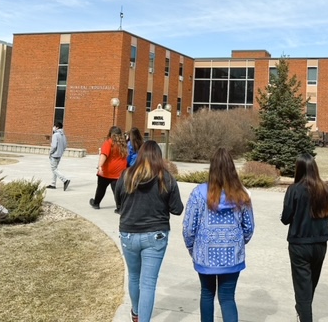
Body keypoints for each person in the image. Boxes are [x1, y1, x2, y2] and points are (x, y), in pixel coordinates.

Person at [182, 148, 255, 322]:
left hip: (205, 255)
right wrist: (238, 242)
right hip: (232, 256)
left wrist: (192, 248)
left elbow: (188, 227)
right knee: (228, 298)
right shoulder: (241, 195)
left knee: (207, 294)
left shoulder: (199, 193)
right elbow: (249, 227)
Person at [114, 140, 183, 322]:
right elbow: (177, 209)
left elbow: (119, 204)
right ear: (159, 157)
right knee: (148, 283)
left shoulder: (126, 176)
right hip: (156, 235)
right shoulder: (166, 178)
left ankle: (136, 313)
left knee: (134, 276)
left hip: (128, 233)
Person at [281, 154, 328, 322]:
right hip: (320, 243)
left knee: (302, 286)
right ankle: (303, 311)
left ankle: (304, 315)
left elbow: (285, 218)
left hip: (299, 244)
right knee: (311, 283)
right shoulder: (325, 189)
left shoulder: (294, 189)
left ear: (299, 169)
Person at [89, 125, 128, 210]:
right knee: (116, 190)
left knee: (101, 188)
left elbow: (104, 155)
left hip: (107, 171)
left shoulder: (109, 143)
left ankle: (96, 203)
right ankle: (120, 207)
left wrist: (99, 166)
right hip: (119, 171)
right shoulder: (123, 144)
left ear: (111, 134)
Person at [47, 122, 70, 190]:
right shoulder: (63, 135)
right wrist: (61, 151)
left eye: (54, 126)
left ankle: (65, 180)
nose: (53, 128)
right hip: (59, 155)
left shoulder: (55, 135)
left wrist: (50, 153)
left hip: (54, 155)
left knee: (54, 169)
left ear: (57, 127)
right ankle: (53, 184)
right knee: (55, 169)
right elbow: (65, 145)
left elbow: (54, 146)